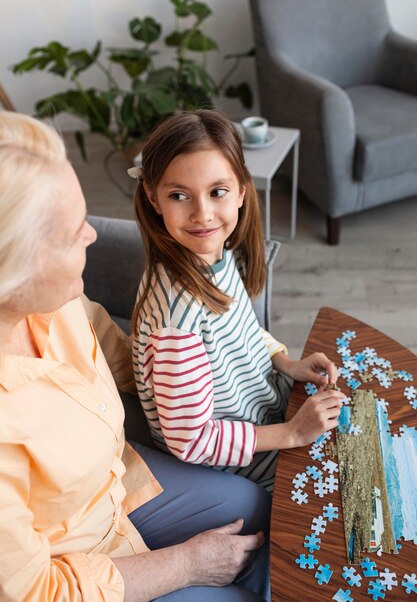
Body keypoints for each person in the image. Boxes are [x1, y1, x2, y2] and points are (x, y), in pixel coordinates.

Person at [0, 111, 273, 602]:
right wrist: (186, 564)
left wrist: (184, 369)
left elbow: (115, 349)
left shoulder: (52, 300)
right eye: (69, 233)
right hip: (73, 568)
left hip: (114, 484)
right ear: (12, 269)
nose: (92, 236)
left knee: (253, 504)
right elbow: (37, 591)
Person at [131, 109, 344, 493]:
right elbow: (192, 441)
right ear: (153, 198)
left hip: (270, 414)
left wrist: (286, 362)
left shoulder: (214, 252)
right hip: (242, 464)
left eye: (217, 192)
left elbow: (240, 328)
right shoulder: (175, 327)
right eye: (179, 195)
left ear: (242, 191)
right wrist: (293, 433)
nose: (203, 215)